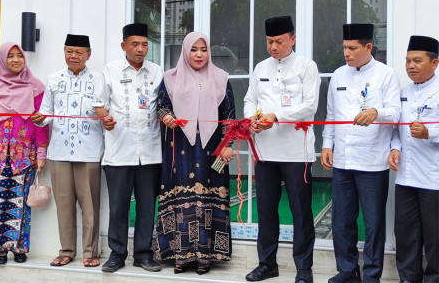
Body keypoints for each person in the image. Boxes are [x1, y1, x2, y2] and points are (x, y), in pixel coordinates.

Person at [320, 24, 401, 283]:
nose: (347, 52)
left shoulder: (386, 75)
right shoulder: (338, 76)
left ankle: (372, 274)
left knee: (374, 222)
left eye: (352, 48)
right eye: (344, 47)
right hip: (343, 160)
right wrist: (326, 145)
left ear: (368, 47)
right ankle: (347, 270)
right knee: (342, 220)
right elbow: (331, 116)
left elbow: (396, 113)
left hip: (373, 161)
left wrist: (377, 112)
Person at [244, 16, 320, 283]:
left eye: (278, 41)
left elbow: (310, 106)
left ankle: (303, 268)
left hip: (297, 153)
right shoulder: (261, 67)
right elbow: (250, 99)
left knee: (301, 211)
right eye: (269, 42)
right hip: (265, 153)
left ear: (293, 39)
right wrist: (252, 119)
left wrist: (276, 116)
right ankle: (267, 264)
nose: (273, 47)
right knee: (266, 210)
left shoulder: (306, 67)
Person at [154, 31, 235, 275]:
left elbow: (229, 116)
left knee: (208, 198)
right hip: (179, 148)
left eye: (203, 49)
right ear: (185, 51)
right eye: (193, 49)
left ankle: (205, 256)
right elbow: (162, 104)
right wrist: (166, 117)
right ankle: (180, 254)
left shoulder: (221, 78)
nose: (199, 54)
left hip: (212, 149)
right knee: (180, 198)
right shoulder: (170, 78)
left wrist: (228, 144)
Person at [93, 23, 163, 273]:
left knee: (147, 206)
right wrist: (105, 118)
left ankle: (144, 254)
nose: (140, 49)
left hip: (150, 154)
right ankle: (117, 254)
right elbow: (99, 104)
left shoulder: (157, 72)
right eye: (135, 44)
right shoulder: (110, 70)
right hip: (118, 153)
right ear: (124, 46)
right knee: (119, 206)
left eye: (144, 44)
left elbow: (164, 106)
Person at [31, 34, 104, 267]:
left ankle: (90, 252)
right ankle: (67, 250)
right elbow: (44, 116)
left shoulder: (98, 79)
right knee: (64, 204)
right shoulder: (53, 79)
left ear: (88, 55)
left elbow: (104, 113)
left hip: (89, 151)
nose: (73, 56)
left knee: (90, 205)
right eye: (69, 51)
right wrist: (39, 119)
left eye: (78, 52)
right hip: (59, 151)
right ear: (64, 52)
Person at [0, 42, 49, 264]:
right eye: (10, 56)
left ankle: (20, 248)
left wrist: (41, 153)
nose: (16, 60)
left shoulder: (34, 86)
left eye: (20, 56)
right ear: (2, 60)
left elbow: (41, 123)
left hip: (24, 156)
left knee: (22, 204)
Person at [388, 35, 439, 283]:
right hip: (406, 176)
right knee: (406, 233)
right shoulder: (403, 92)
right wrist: (395, 148)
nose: (410, 66)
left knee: (435, 236)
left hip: (433, 178)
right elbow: (397, 130)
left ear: (435, 63)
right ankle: (408, 278)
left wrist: (431, 133)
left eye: (417, 60)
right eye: (408, 61)